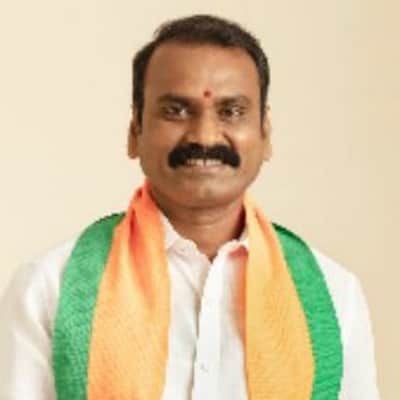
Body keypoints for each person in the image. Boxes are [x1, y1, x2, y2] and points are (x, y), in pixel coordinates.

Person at [0, 14, 380, 400]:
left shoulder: (334, 298)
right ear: (135, 132)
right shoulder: (50, 290)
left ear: (265, 134)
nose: (204, 136)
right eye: (176, 111)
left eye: (232, 111)